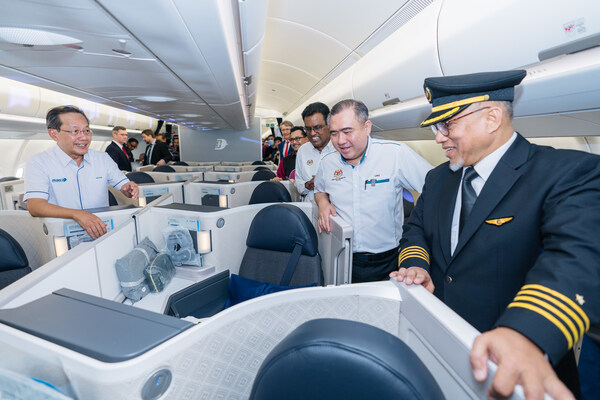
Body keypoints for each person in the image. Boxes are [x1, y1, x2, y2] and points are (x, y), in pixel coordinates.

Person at [391, 69, 600, 399]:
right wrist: (417, 265)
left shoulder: (567, 171)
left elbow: (579, 257)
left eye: (448, 125)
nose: (439, 138)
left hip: (513, 361)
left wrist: (527, 332)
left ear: (491, 118)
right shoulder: (438, 178)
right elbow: (416, 229)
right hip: (442, 340)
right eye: (435, 128)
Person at [315, 99, 432, 283]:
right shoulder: (327, 162)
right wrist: (323, 203)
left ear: (367, 127)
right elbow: (319, 190)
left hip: (388, 259)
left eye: (347, 131)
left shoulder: (395, 154)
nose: (340, 141)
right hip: (343, 256)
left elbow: (436, 188)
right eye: (334, 133)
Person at [24, 105, 139, 239]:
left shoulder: (102, 159)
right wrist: (77, 214)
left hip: (102, 231)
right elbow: (35, 206)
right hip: (63, 237)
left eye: (86, 131)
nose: (84, 137)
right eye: (75, 131)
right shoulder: (39, 162)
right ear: (54, 134)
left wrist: (129, 188)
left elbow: (124, 187)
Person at [294, 102, 335, 201]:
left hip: (334, 208)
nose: (312, 133)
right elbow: (298, 183)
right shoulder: (303, 151)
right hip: (310, 207)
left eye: (317, 127)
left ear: (329, 125)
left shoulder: (339, 148)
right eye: (308, 129)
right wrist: (307, 185)